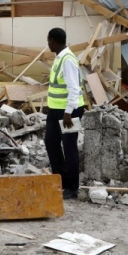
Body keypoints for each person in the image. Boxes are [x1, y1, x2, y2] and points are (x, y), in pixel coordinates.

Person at [45, 27, 85, 200]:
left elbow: (74, 89)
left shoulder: (67, 60)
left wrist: (68, 112)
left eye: (48, 41)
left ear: (53, 40)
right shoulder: (59, 58)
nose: (48, 44)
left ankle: (72, 187)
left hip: (69, 111)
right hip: (56, 110)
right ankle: (60, 180)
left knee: (69, 147)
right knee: (51, 142)